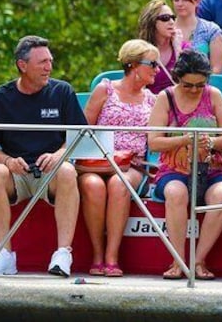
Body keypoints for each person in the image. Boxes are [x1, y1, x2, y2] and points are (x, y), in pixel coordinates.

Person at [0, 35, 85, 277]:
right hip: (16, 174)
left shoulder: (62, 91)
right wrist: (7, 161)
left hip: (51, 173)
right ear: (22, 66)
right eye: (42, 62)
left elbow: (79, 137)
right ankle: (4, 255)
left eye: (50, 61)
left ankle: (63, 254)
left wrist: (59, 155)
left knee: (67, 170)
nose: (49, 67)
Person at [147, 49, 222, 280]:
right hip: (174, 168)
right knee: (176, 193)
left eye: (200, 85)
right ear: (178, 78)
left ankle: (198, 260)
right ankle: (178, 261)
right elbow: (154, 142)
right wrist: (186, 138)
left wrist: (210, 141)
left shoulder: (214, 95)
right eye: (188, 85)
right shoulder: (165, 98)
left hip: (214, 166)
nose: (195, 90)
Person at [78, 39, 159, 277]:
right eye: (152, 64)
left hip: (132, 165)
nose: (156, 69)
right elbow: (84, 130)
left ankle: (112, 256)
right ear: (134, 65)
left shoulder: (152, 99)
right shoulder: (105, 89)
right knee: (93, 185)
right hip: (98, 161)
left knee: (118, 184)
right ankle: (97, 254)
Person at [170, 0, 222, 74]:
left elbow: (217, 69)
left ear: (197, 1)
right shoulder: (167, 29)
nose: (180, 4)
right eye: (176, 0)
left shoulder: (211, 30)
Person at [138, 0, 181, 93]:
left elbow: (189, 84)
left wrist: (178, 50)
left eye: (173, 17)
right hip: (150, 104)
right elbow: (138, 88)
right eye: (165, 18)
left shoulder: (184, 48)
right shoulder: (140, 52)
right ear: (152, 22)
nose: (171, 22)